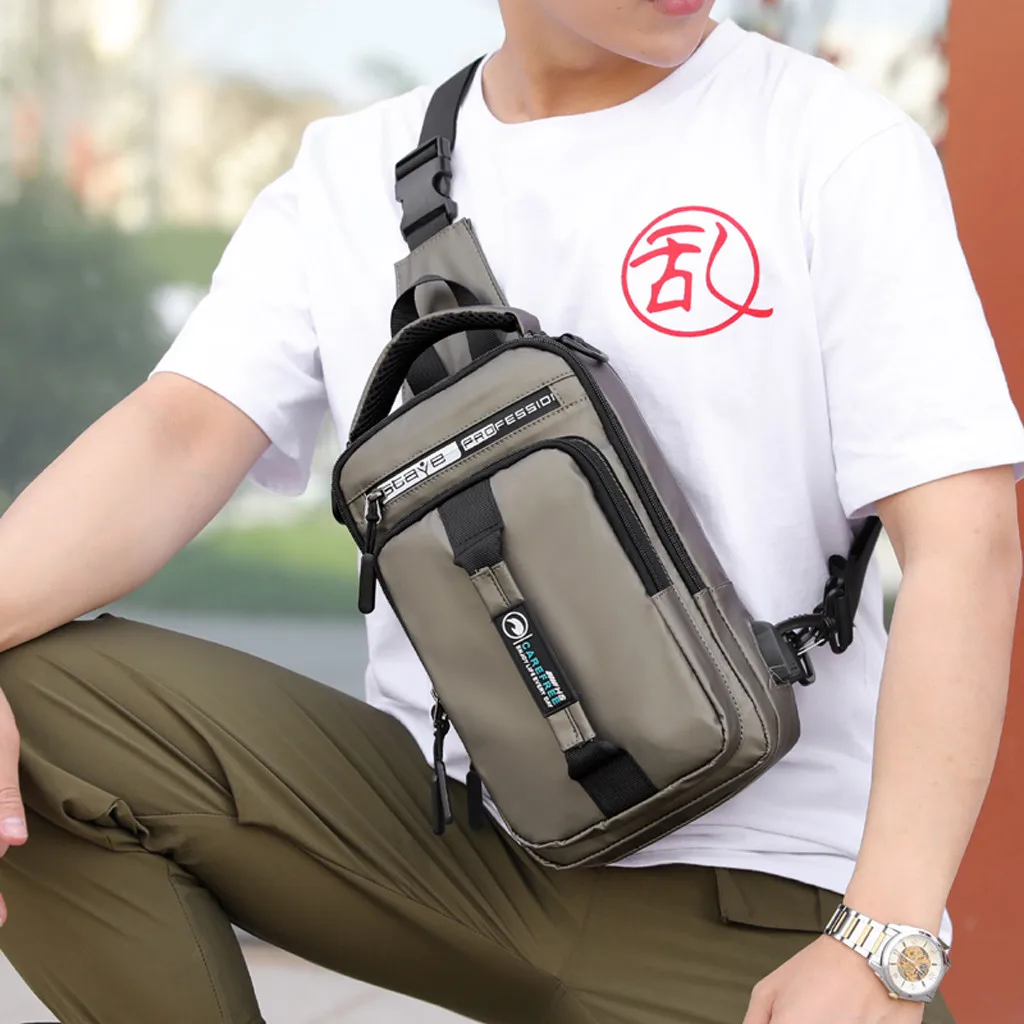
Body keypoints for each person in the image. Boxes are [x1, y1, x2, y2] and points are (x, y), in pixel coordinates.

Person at [0, 1, 1022, 1022]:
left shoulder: (830, 144)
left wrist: (882, 940)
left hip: (762, 903)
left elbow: (964, 545)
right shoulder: (349, 176)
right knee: (36, 703)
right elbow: (178, 434)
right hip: (453, 842)